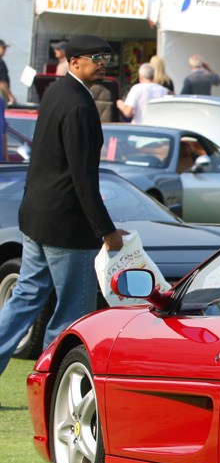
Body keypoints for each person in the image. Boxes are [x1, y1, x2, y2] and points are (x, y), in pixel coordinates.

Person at [0, 34, 128, 387]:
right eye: (95, 57)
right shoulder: (77, 103)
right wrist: (107, 231)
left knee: (25, 298)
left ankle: (52, 385)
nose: (103, 62)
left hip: (37, 218)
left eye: (106, 56)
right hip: (65, 227)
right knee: (72, 313)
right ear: (74, 62)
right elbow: (82, 177)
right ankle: (55, 391)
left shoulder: (57, 92)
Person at [0, 39, 15, 105]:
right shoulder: (0, 62)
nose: (5, 49)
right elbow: (2, 82)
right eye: (3, 47)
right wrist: (10, 96)